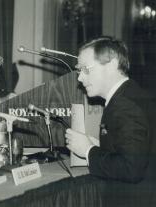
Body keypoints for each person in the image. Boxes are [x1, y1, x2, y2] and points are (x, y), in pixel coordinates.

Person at [65, 37, 156, 206]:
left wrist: (88, 150)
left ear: (112, 65)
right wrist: (102, 147)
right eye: (79, 70)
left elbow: (131, 169)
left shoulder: (125, 106)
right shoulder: (131, 94)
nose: (80, 78)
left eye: (86, 69)